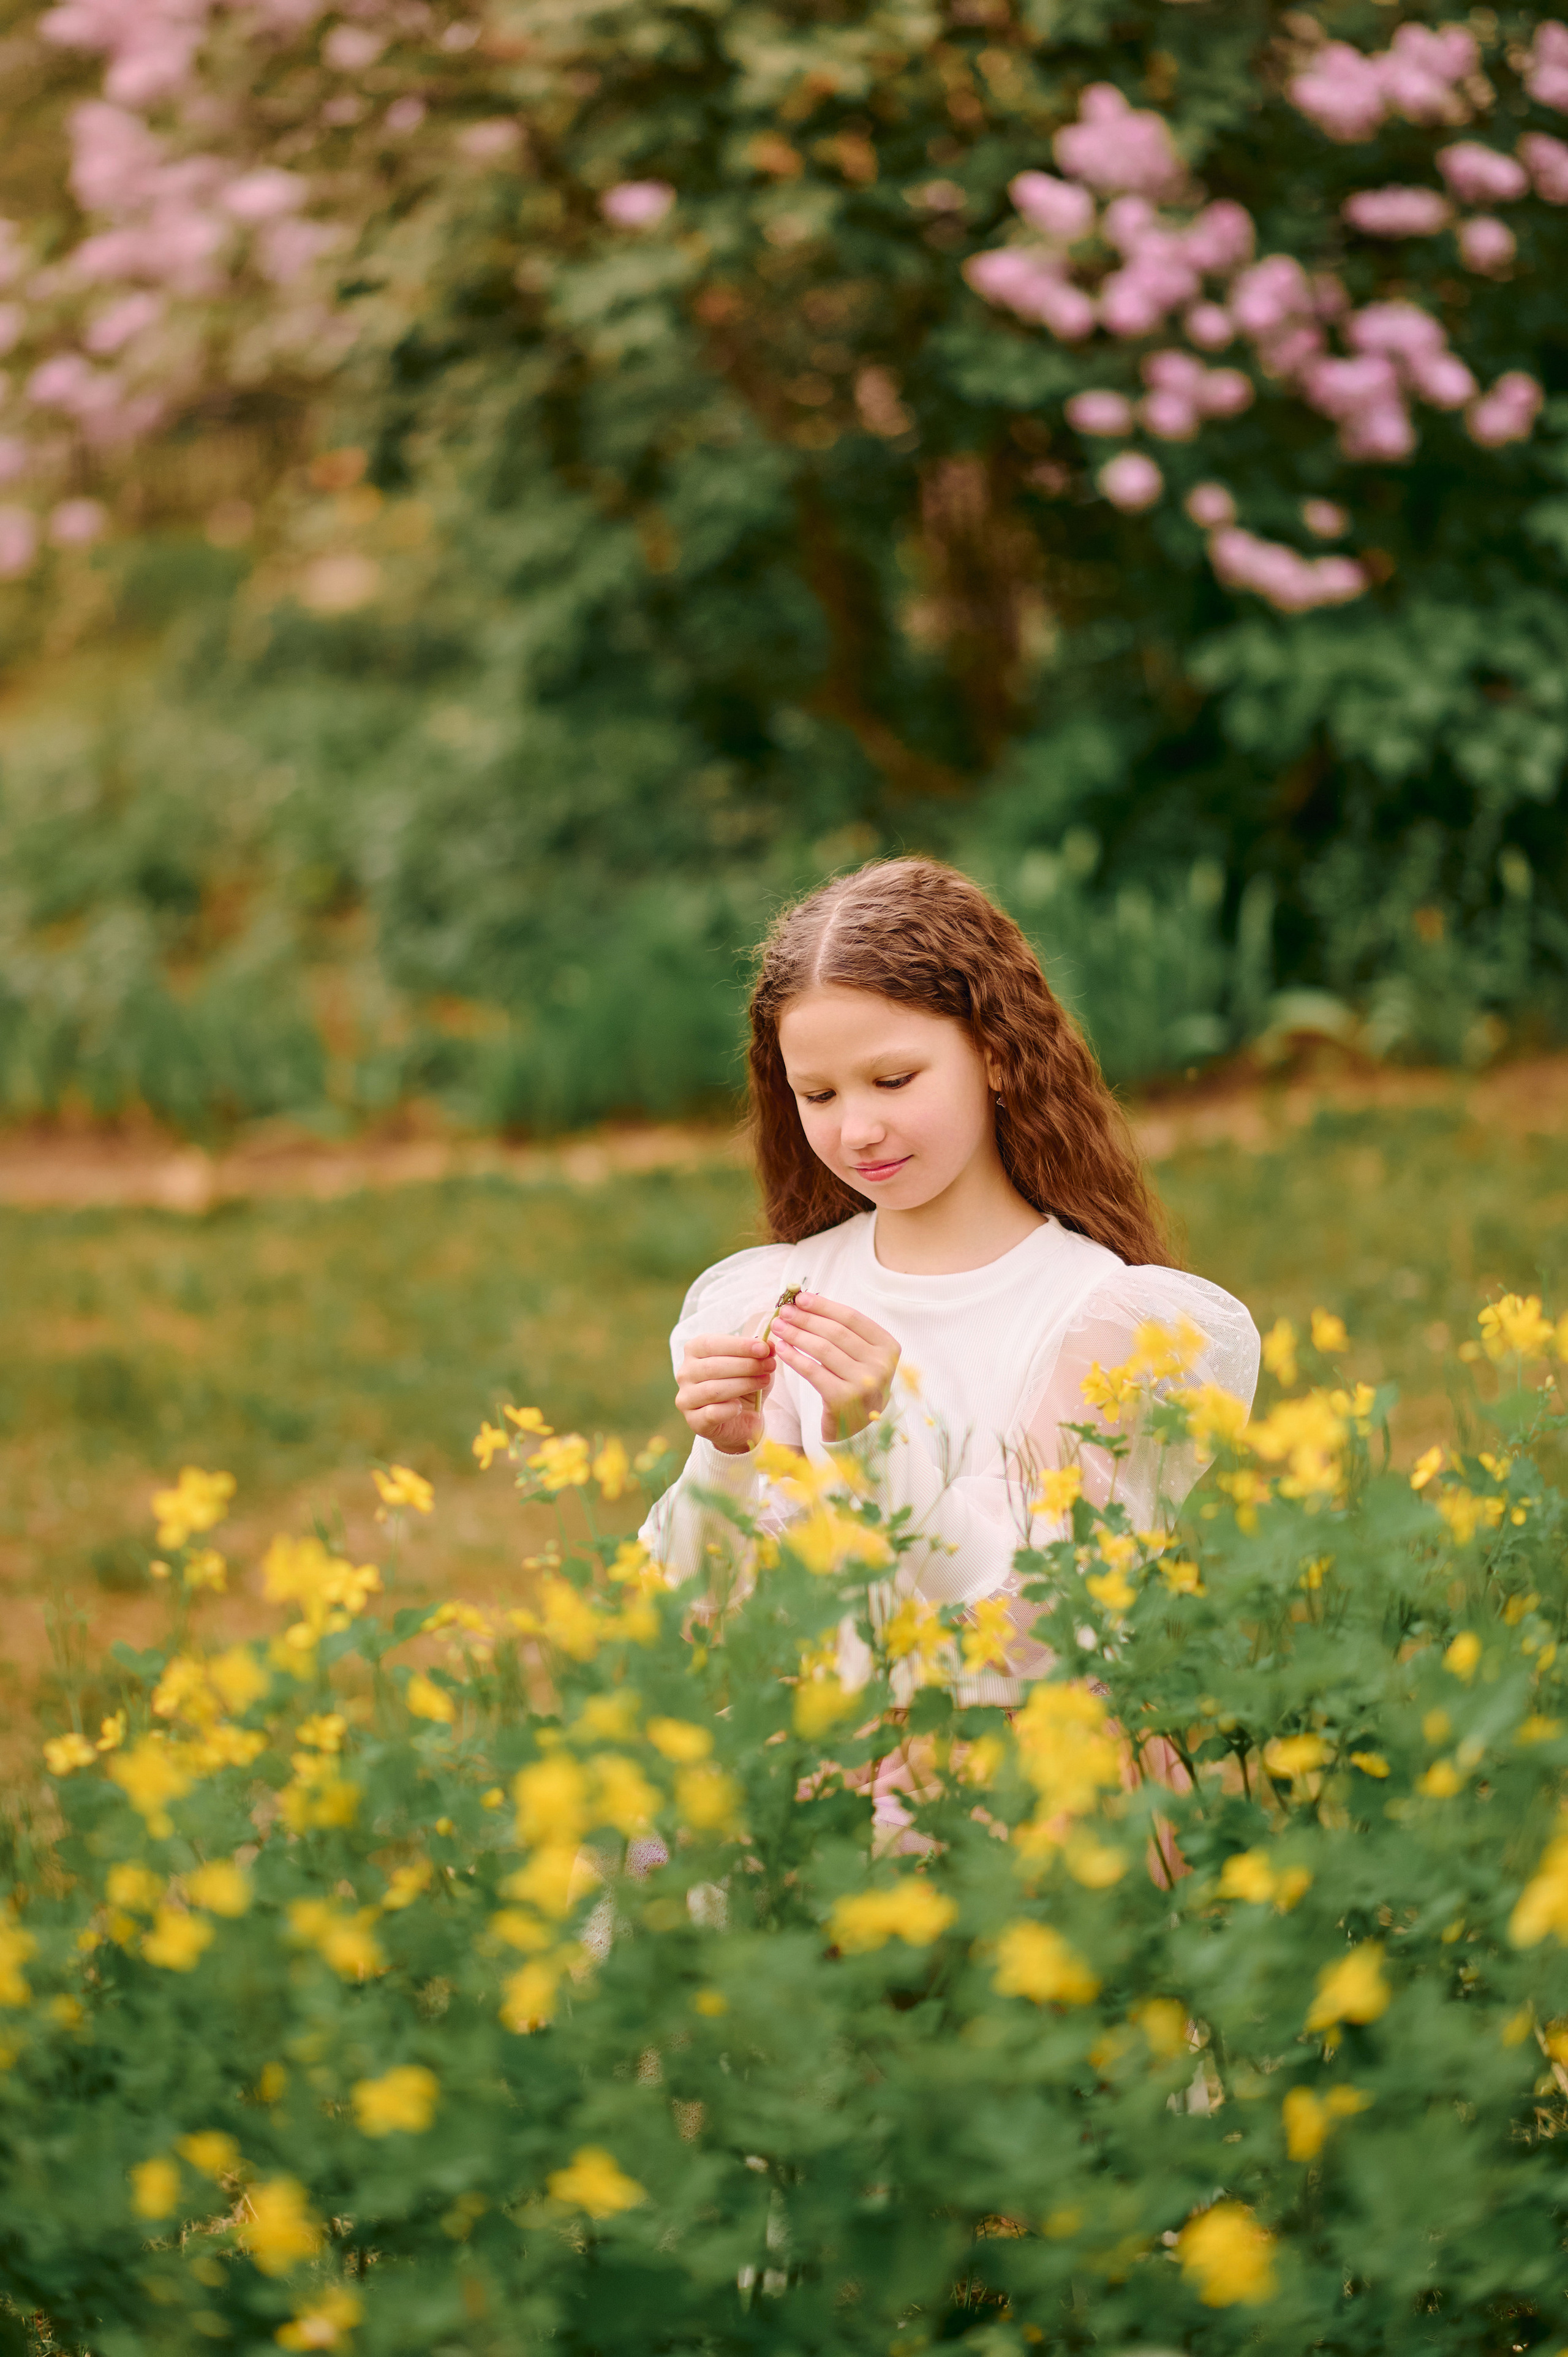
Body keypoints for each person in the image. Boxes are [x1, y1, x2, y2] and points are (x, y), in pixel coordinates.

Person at [641, 857, 1259, 1703]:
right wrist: (726, 1455)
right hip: (811, 1752)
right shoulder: (784, 1295)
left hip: (1005, 1763)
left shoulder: (1101, 1321)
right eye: (817, 1096)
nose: (857, 1130)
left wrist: (874, 1442)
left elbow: (1040, 1633)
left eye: (893, 1081)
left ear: (997, 1054)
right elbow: (693, 1614)